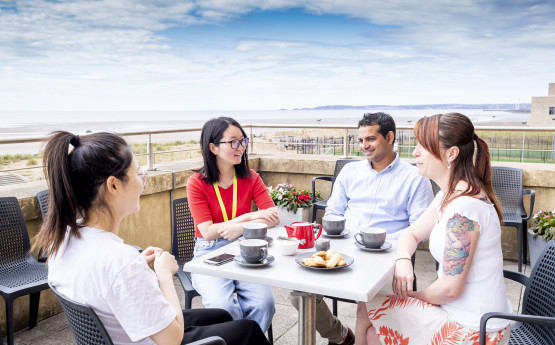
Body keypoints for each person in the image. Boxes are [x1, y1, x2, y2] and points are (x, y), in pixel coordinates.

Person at [34, 131, 270, 345]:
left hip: (123, 329)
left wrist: (136, 265)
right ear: (113, 186)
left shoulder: (62, 240)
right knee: (247, 329)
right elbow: (172, 339)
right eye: (138, 173)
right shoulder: (120, 260)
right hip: (155, 339)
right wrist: (164, 274)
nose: (142, 180)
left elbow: (105, 279)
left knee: (222, 315)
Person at [355, 113, 512, 345]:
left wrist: (413, 297)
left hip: (476, 330)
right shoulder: (451, 194)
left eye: (423, 146)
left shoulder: (464, 208)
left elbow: (449, 289)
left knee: (367, 305)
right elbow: (411, 233)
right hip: (460, 316)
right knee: (372, 334)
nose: (415, 152)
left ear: (452, 153)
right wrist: (403, 261)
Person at [289, 112, 434, 345]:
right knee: (299, 292)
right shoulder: (350, 172)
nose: (364, 146)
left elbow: (420, 228)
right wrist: (343, 236)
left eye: (370, 139)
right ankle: (341, 336)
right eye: (360, 140)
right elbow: (334, 212)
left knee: (365, 305)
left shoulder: (415, 178)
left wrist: (376, 240)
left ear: (389, 137)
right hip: (344, 250)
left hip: (387, 256)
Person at [187, 117, 278, 333]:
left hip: (245, 248)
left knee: (264, 304)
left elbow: (273, 216)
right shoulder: (197, 182)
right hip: (209, 253)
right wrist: (246, 218)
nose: (241, 148)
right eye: (233, 142)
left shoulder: (251, 177)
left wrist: (239, 228)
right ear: (213, 147)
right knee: (225, 308)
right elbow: (208, 232)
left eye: (243, 141)